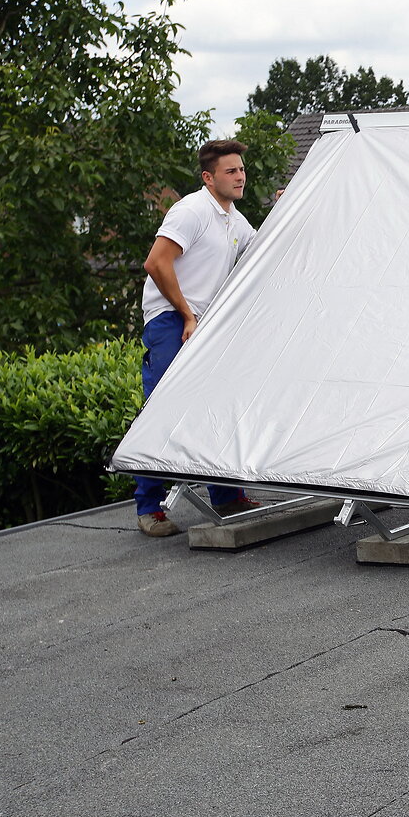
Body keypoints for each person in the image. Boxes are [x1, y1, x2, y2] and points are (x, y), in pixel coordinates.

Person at [133, 140, 261, 536]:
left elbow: (267, 251)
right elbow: (156, 262)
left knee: (216, 406)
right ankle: (149, 508)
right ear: (209, 177)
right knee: (165, 408)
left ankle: (226, 496)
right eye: (230, 171)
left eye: (241, 170)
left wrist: (285, 207)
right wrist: (187, 315)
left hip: (206, 323)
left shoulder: (235, 220)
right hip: (172, 319)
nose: (239, 176)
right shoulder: (191, 211)